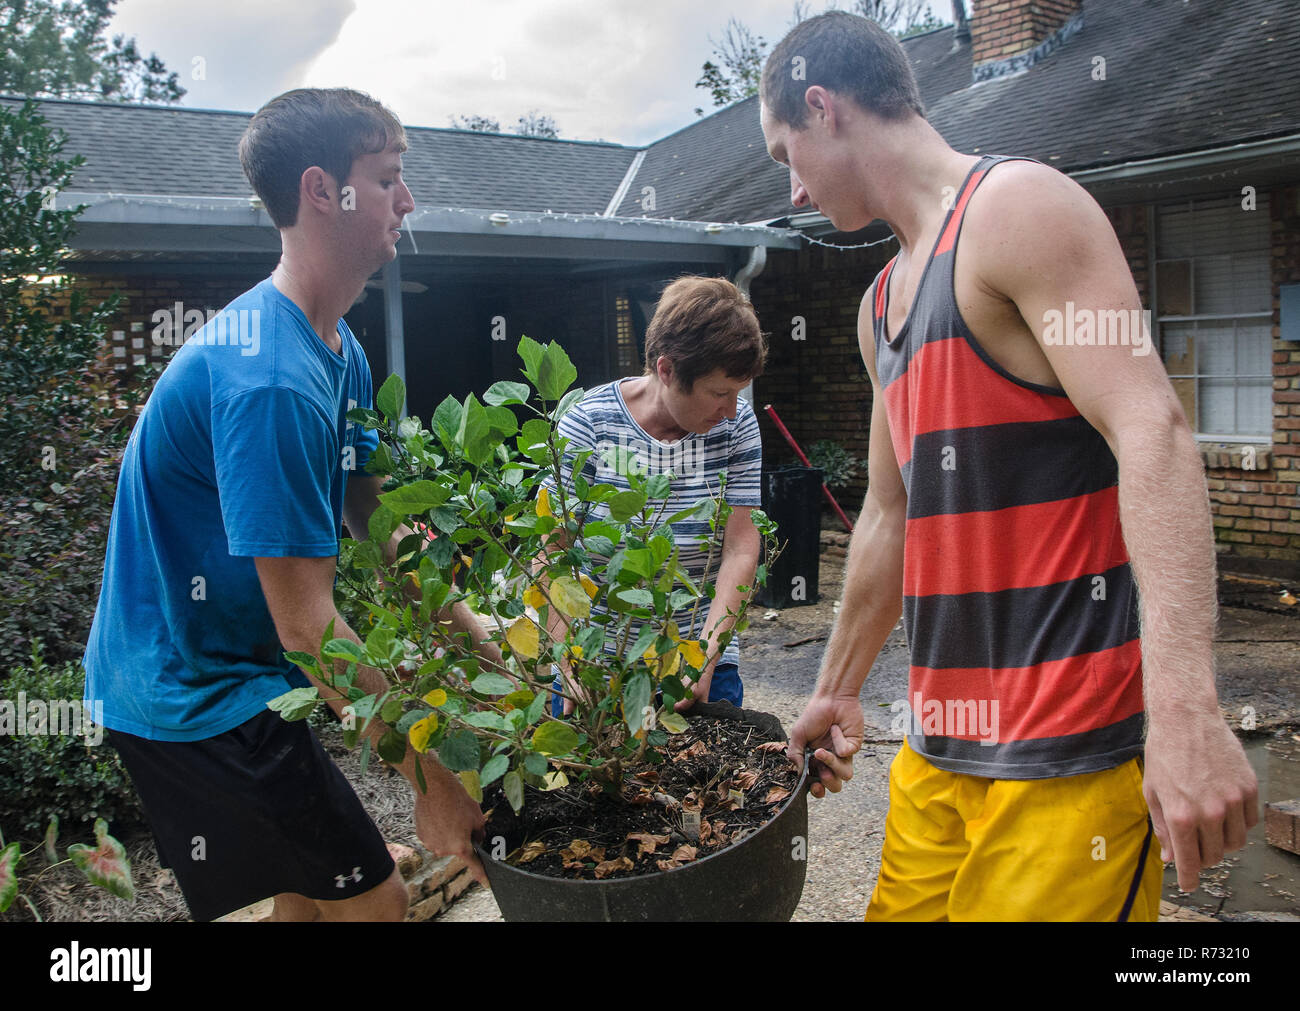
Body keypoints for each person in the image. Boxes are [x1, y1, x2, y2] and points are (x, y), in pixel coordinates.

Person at [759, 12, 1258, 921]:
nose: (790, 191)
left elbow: (1153, 430)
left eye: (784, 151)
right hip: (938, 750)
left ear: (822, 107)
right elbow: (886, 511)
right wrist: (834, 690)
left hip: (1069, 758)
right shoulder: (879, 308)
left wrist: (1188, 707)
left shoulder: (1020, 210)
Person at [82, 88, 494, 922]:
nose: (406, 200)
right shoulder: (271, 378)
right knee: (372, 899)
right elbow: (307, 627)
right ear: (321, 190)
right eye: (388, 179)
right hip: (189, 694)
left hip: (236, 677)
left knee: (309, 899)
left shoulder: (332, 346)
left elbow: (381, 524)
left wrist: (494, 652)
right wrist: (434, 784)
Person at [543, 276, 766, 717]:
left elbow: (740, 547)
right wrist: (569, 665)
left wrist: (704, 655)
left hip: (700, 655)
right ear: (667, 370)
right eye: (719, 393)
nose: (729, 409)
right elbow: (551, 549)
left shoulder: (737, 426)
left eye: (737, 393)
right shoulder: (589, 423)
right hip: (598, 660)